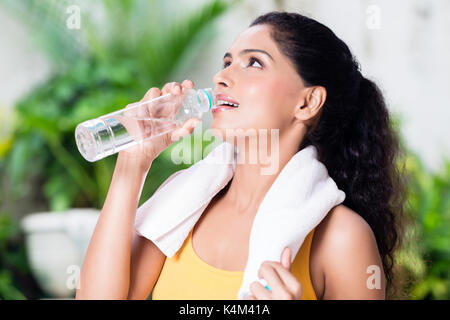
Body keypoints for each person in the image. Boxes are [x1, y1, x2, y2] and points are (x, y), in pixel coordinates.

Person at [76, 11, 406, 300]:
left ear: (307, 103)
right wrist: (131, 167)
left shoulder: (342, 238)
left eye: (254, 62)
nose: (222, 77)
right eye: (227, 62)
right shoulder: (181, 205)